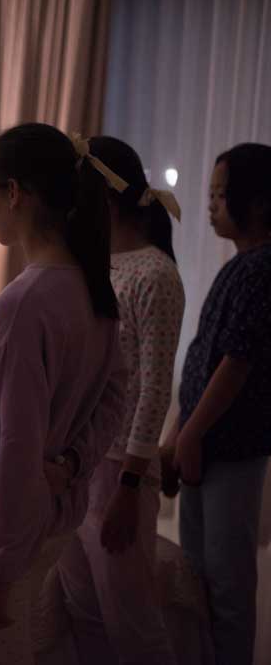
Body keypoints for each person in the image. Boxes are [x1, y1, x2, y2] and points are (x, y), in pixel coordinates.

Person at [0, 123, 127, 664]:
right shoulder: (93, 288)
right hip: (55, 514)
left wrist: (0, 564)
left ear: (13, 193)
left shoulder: (24, 303)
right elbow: (114, 399)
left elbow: (17, 441)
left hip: (1, 522)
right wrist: (73, 464)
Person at [56, 136, 183, 664]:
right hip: (79, 463)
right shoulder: (93, 267)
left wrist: (130, 485)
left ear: (104, 200)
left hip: (119, 470)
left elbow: (154, 388)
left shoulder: (154, 274)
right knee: (83, 612)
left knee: (131, 623)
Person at [162, 143, 271, 665]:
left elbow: (235, 363)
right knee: (199, 575)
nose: (210, 205)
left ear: (259, 202)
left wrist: (189, 433)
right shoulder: (241, 266)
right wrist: (182, 432)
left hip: (230, 445)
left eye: (221, 195)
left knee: (226, 582)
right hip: (207, 441)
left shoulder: (262, 269)